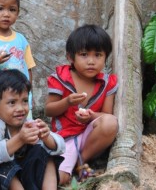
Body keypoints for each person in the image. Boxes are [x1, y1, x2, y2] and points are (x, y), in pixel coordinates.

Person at [45, 24, 119, 185]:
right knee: (61, 179)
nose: (91, 61)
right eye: (84, 55)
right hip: (66, 138)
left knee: (111, 122)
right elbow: (49, 110)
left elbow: (107, 115)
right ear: (71, 57)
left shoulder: (107, 82)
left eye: (98, 55)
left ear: (106, 57)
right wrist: (67, 102)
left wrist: (92, 116)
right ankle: (74, 168)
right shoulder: (61, 78)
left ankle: (80, 163)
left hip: (91, 137)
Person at [0, 69, 65, 190]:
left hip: (29, 178)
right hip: (5, 183)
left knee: (48, 156)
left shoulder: (29, 124)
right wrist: (20, 139)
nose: (20, 108)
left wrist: (47, 137)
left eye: (25, 101)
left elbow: (62, 147)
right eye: (12, 102)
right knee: (2, 165)